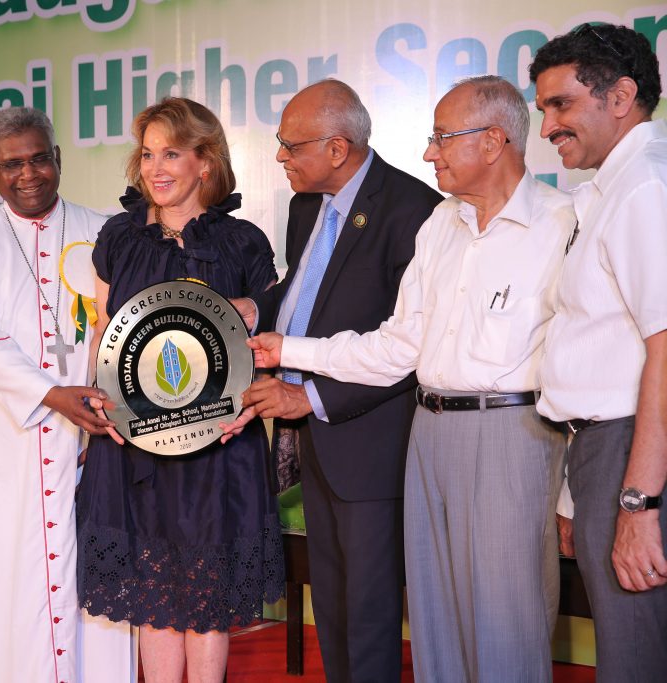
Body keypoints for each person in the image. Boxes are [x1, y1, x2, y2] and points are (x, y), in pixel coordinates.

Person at [242, 76, 576, 682]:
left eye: (444, 138)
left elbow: (580, 360)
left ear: (496, 140)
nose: (429, 152)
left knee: (507, 623)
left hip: (513, 433)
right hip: (428, 433)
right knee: (434, 623)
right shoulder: (441, 225)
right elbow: (397, 347)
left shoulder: (561, 223)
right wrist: (287, 346)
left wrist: (570, 491)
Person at [223, 79, 441, 683]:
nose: (279, 157)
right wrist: (256, 307)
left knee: (370, 610)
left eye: (291, 146)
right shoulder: (305, 205)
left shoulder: (411, 211)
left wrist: (311, 394)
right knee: (335, 605)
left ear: (338, 148)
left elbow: (406, 348)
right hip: (312, 438)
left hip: (368, 438)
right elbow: (308, 292)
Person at [76, 97, 283, 683]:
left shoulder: (243, 243)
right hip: (132, 441)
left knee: (205, 597)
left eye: (171, 152)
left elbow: (265, 342)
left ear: (206, 162)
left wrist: (253, 405)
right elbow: (103, 330)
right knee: (151, 594)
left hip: (217, 444)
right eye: (147, 154)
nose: (156, 167)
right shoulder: (117, 237)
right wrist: (100, 406)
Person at [0, 107, 133, 683]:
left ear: (58, 159)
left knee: (96, 593)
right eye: (13, 163)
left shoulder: (107, 232)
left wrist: (98, 400)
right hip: (2, 443)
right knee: (5, 585)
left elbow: (125, 330)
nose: (29, 174)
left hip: (96, 437)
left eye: (40, 158)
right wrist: (52, 394)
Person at [530, 24, 667, 680]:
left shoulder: (644, 187)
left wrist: (639, 504)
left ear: (621, 98)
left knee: (634, 654)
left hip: (631, 456)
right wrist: (573, 499)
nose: (548, 126)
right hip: (603, 455)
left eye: (561, 105)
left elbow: (665, 348)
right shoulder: (612, 189)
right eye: (542, 110)